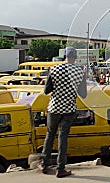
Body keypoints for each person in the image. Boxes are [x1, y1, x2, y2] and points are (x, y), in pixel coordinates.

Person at [38, 46, 87, 178]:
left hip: (54, 108)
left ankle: (44, 163)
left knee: (50, 135)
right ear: (75, 57)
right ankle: (61, 169)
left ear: (64, 56)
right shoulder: (79, 71)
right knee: (62, 137)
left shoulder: (54, 69)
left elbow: (46, 91)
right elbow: (83, 94)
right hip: (69, 109)